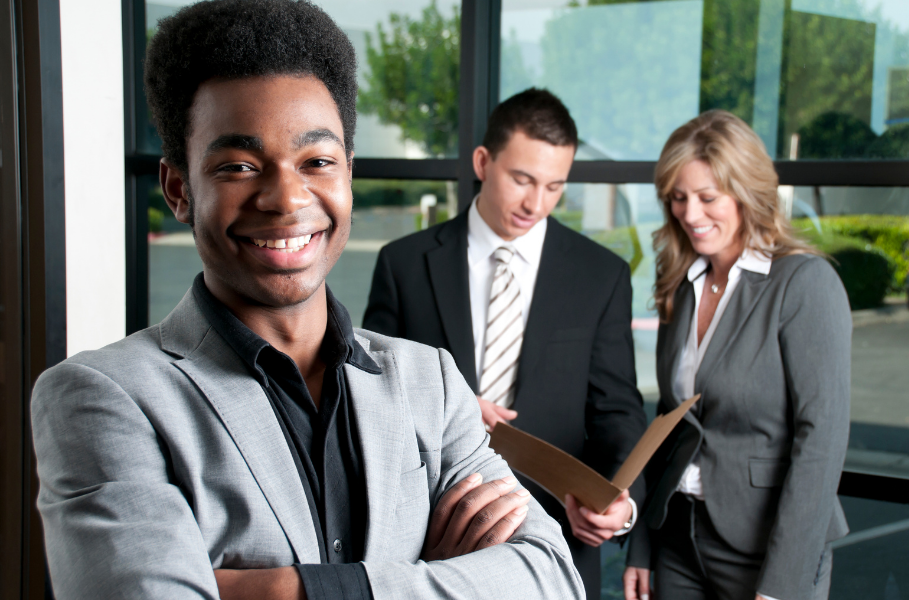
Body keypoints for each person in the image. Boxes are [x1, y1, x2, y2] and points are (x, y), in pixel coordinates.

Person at [31, 2, 585, 599]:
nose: (286, 197)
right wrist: (430, 574)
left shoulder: (432, 381)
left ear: (347, 174)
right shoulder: (102, 398)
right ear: (179, 189)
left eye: (317, 161)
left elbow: (550, 579)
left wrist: (274, 589)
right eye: (239, 166)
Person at [363, 88, 648, 599]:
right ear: (482, 162)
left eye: (554, 186)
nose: (535, 203)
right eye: (522, 179)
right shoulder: (403, 264)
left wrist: (620, 503)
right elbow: (367, 395)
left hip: (556, 540)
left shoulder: (600, 274)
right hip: (428, 537)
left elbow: (617, 410)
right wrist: (446, 401)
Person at [622, 110, 851, 600]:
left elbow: (822, 441)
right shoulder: (681, 285)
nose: (690, 214)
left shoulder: (804, 285)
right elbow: (669, 421)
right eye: (678, 198)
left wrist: (782, 584)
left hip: (766, 549)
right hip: (679, 537)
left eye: (707, 198)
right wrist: (641, 543)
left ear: (747, 192)